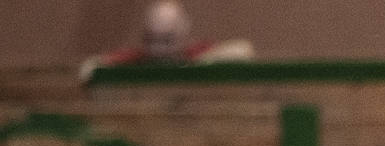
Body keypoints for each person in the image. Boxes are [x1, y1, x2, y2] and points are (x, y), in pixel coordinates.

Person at [79, 1, 254, 84]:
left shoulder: (194, 54)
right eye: (152, 39)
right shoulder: (138, 60)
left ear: (183, 33)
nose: (158, 48)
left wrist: (193, 67)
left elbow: (243, 51)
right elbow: (89, 67)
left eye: (167, 40)